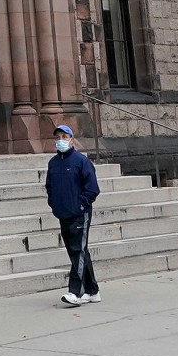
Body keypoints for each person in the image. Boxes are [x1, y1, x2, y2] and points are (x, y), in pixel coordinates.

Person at [45, 122, 102, 305]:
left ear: (71, 140)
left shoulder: (81, 161)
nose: (60, 140)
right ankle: (92, 290)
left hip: (79, 214)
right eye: (58, 137)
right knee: (77, 251)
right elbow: (50, 187)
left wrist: (81, 206)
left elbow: (92, 188)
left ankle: (75, 292)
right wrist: (54, 204)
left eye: (64, 137)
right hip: (63, 213)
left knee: (78, 250)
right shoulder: (53, 163)